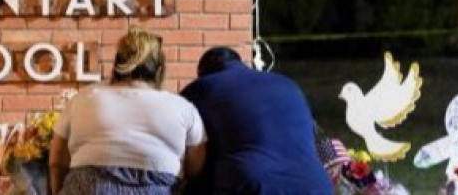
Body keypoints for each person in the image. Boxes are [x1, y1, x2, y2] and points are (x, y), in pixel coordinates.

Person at [49, 27, 207, 195]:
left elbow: (57, 162)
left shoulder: (82, 98)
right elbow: (195, 167)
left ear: (116, 64)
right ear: (159, 69)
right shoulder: (183, 108)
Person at [179, 46, 333, 195]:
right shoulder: (287, 83)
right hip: (317, 184)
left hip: (255, 183)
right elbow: (317, 139)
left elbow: (184, 147)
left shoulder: (201, 88)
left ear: (204, 73)